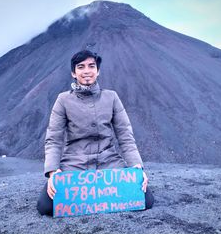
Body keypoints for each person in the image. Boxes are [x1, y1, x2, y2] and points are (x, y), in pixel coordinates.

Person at [37, 50, 154, 216]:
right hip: (74, 164)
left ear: (98, 71)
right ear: (73, 72)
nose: (86, 71)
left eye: (91, 66)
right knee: (46, 206)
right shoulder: (63, 100)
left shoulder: (111, 97)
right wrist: (53, 172)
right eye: (81, 67)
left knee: (146, 200)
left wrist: (136, 167)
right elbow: (54, 139)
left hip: (109, 161)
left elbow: (125, 136)